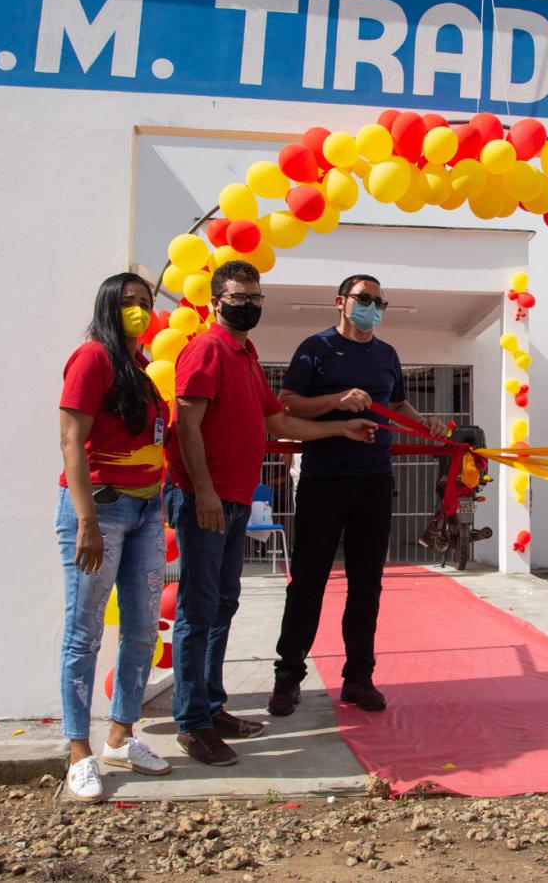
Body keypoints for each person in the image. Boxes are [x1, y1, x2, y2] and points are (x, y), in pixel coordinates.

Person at [165, 261, 377, 766]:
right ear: (217, 302)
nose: (251, 305)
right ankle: (192, 723)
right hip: (207, 500)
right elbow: (186, 425)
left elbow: (279, 420)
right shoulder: (206, 349)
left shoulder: (245, 355)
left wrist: (339, 431)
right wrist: (205, 491)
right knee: (197, 612)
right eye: (241, 297)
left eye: (257, 297)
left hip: (236, 498)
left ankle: (211, 706)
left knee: (221, 605)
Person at [268, 275, 448, 717]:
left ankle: (359, 678)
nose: (373, 306)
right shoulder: (316, 348)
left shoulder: (387, 355)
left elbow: (398, 405)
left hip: (374, 480)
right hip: (324, 480)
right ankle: (288, 676)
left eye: (379, 300)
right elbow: (287, 403)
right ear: (341, 302)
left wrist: (428, 425)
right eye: (364, 299)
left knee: (366, 585)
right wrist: (336, 400)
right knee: (308, 581)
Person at [56, 273, 172, 802]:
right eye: (128, 303)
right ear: (108, 306)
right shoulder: (93, 359)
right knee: (84, 633)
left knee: (142, 630)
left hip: (148, 510)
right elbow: (71, 440)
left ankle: (122, 737)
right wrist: (84, 521)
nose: (139, 311)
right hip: (101, 512)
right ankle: (79, 751)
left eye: (145, 303)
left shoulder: (142, 369)